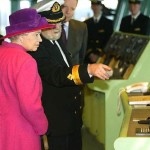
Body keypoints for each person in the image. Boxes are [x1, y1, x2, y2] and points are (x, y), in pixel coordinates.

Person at [28, 2, 112, 150]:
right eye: (51, 25)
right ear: (40, 26)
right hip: (57, 120)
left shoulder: (57, 40)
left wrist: (95, 72)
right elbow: (57, 75)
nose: (57, 28)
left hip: (71, 117)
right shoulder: (37, 48)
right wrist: (89, 70)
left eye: (59, 23)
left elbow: (69, 69)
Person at [0, 8, 55, 150]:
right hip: (21, 133)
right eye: (37, 34)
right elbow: (30, 106)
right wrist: (43, 127)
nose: (40, 39)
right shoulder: (25, 61)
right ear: (22, 35)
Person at [61, 0, 88, 65]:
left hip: (72, 72)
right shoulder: (46, 26)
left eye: (72, 9)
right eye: (64, 7)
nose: (68, 12)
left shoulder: (81, 27)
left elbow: (82, 56)